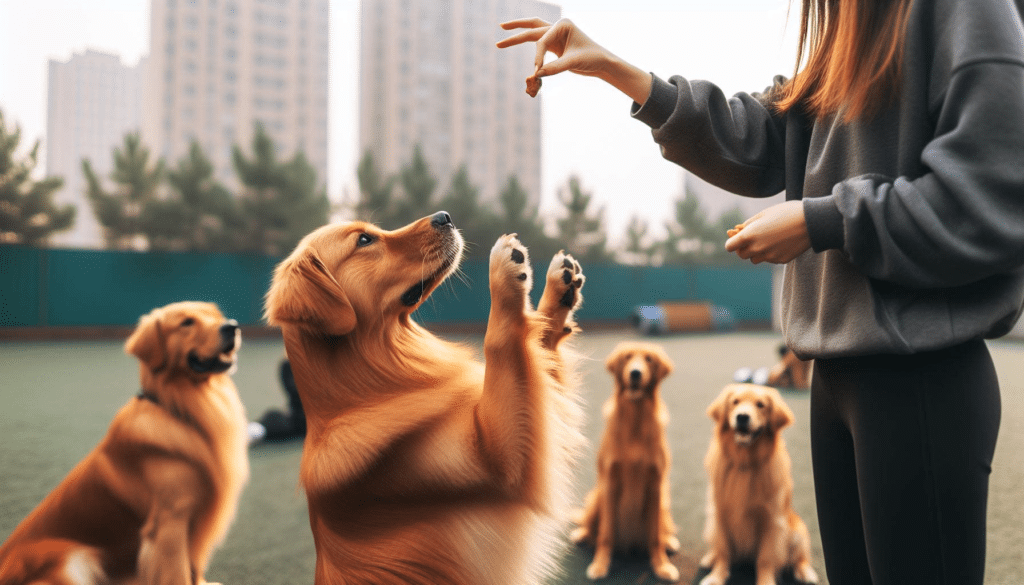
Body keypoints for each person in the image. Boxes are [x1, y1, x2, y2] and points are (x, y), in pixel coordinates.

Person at [498, 2, 1024, 584]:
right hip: (834, 376)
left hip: (920, 374)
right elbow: (772, 131)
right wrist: (623, 73)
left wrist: (822, 220)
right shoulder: (847, 29)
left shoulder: (965, 10)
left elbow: (992, 193)